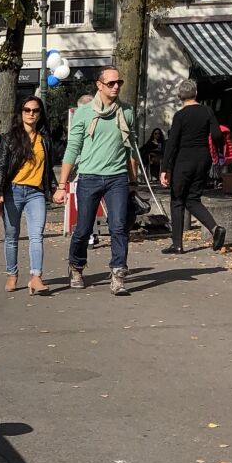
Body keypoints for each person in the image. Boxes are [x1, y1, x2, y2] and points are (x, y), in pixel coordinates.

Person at [57, 67, 138, 295]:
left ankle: (118, 273)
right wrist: (62, 185)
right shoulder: (83, 114)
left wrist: (134, 181)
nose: (116, 87)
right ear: (99, 85)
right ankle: (76, 266)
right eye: (111, 83)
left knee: (119, 226)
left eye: (118, 83)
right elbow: (72, 149)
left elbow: (131, 148)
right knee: (83, 228)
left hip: (117, 178)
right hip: (89, 177)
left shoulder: (127, 112)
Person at [0, 94, 58, 295]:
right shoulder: (10, 137)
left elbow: (48, 168)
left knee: (36, 235)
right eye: (27, 110)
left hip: (35, 193)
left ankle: (36, 276)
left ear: (40, 114)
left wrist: (56, 188)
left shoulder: (44, 139)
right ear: (20, 113)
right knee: (11, 236)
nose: (31, 114)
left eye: (35, 110)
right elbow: (2, 165)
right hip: (13, 191)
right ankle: (12, 274)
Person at [160, 79, 231, 254]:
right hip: (203, 159)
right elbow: (216, 134)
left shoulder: (180, 115)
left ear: (180, 96)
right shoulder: (207, 111)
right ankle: (215, 229)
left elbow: (172, 143)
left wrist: (164, 169)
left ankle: (177, 244)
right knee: (193, 199)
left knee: (177, 200)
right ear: (196, 93)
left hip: (183, 160)